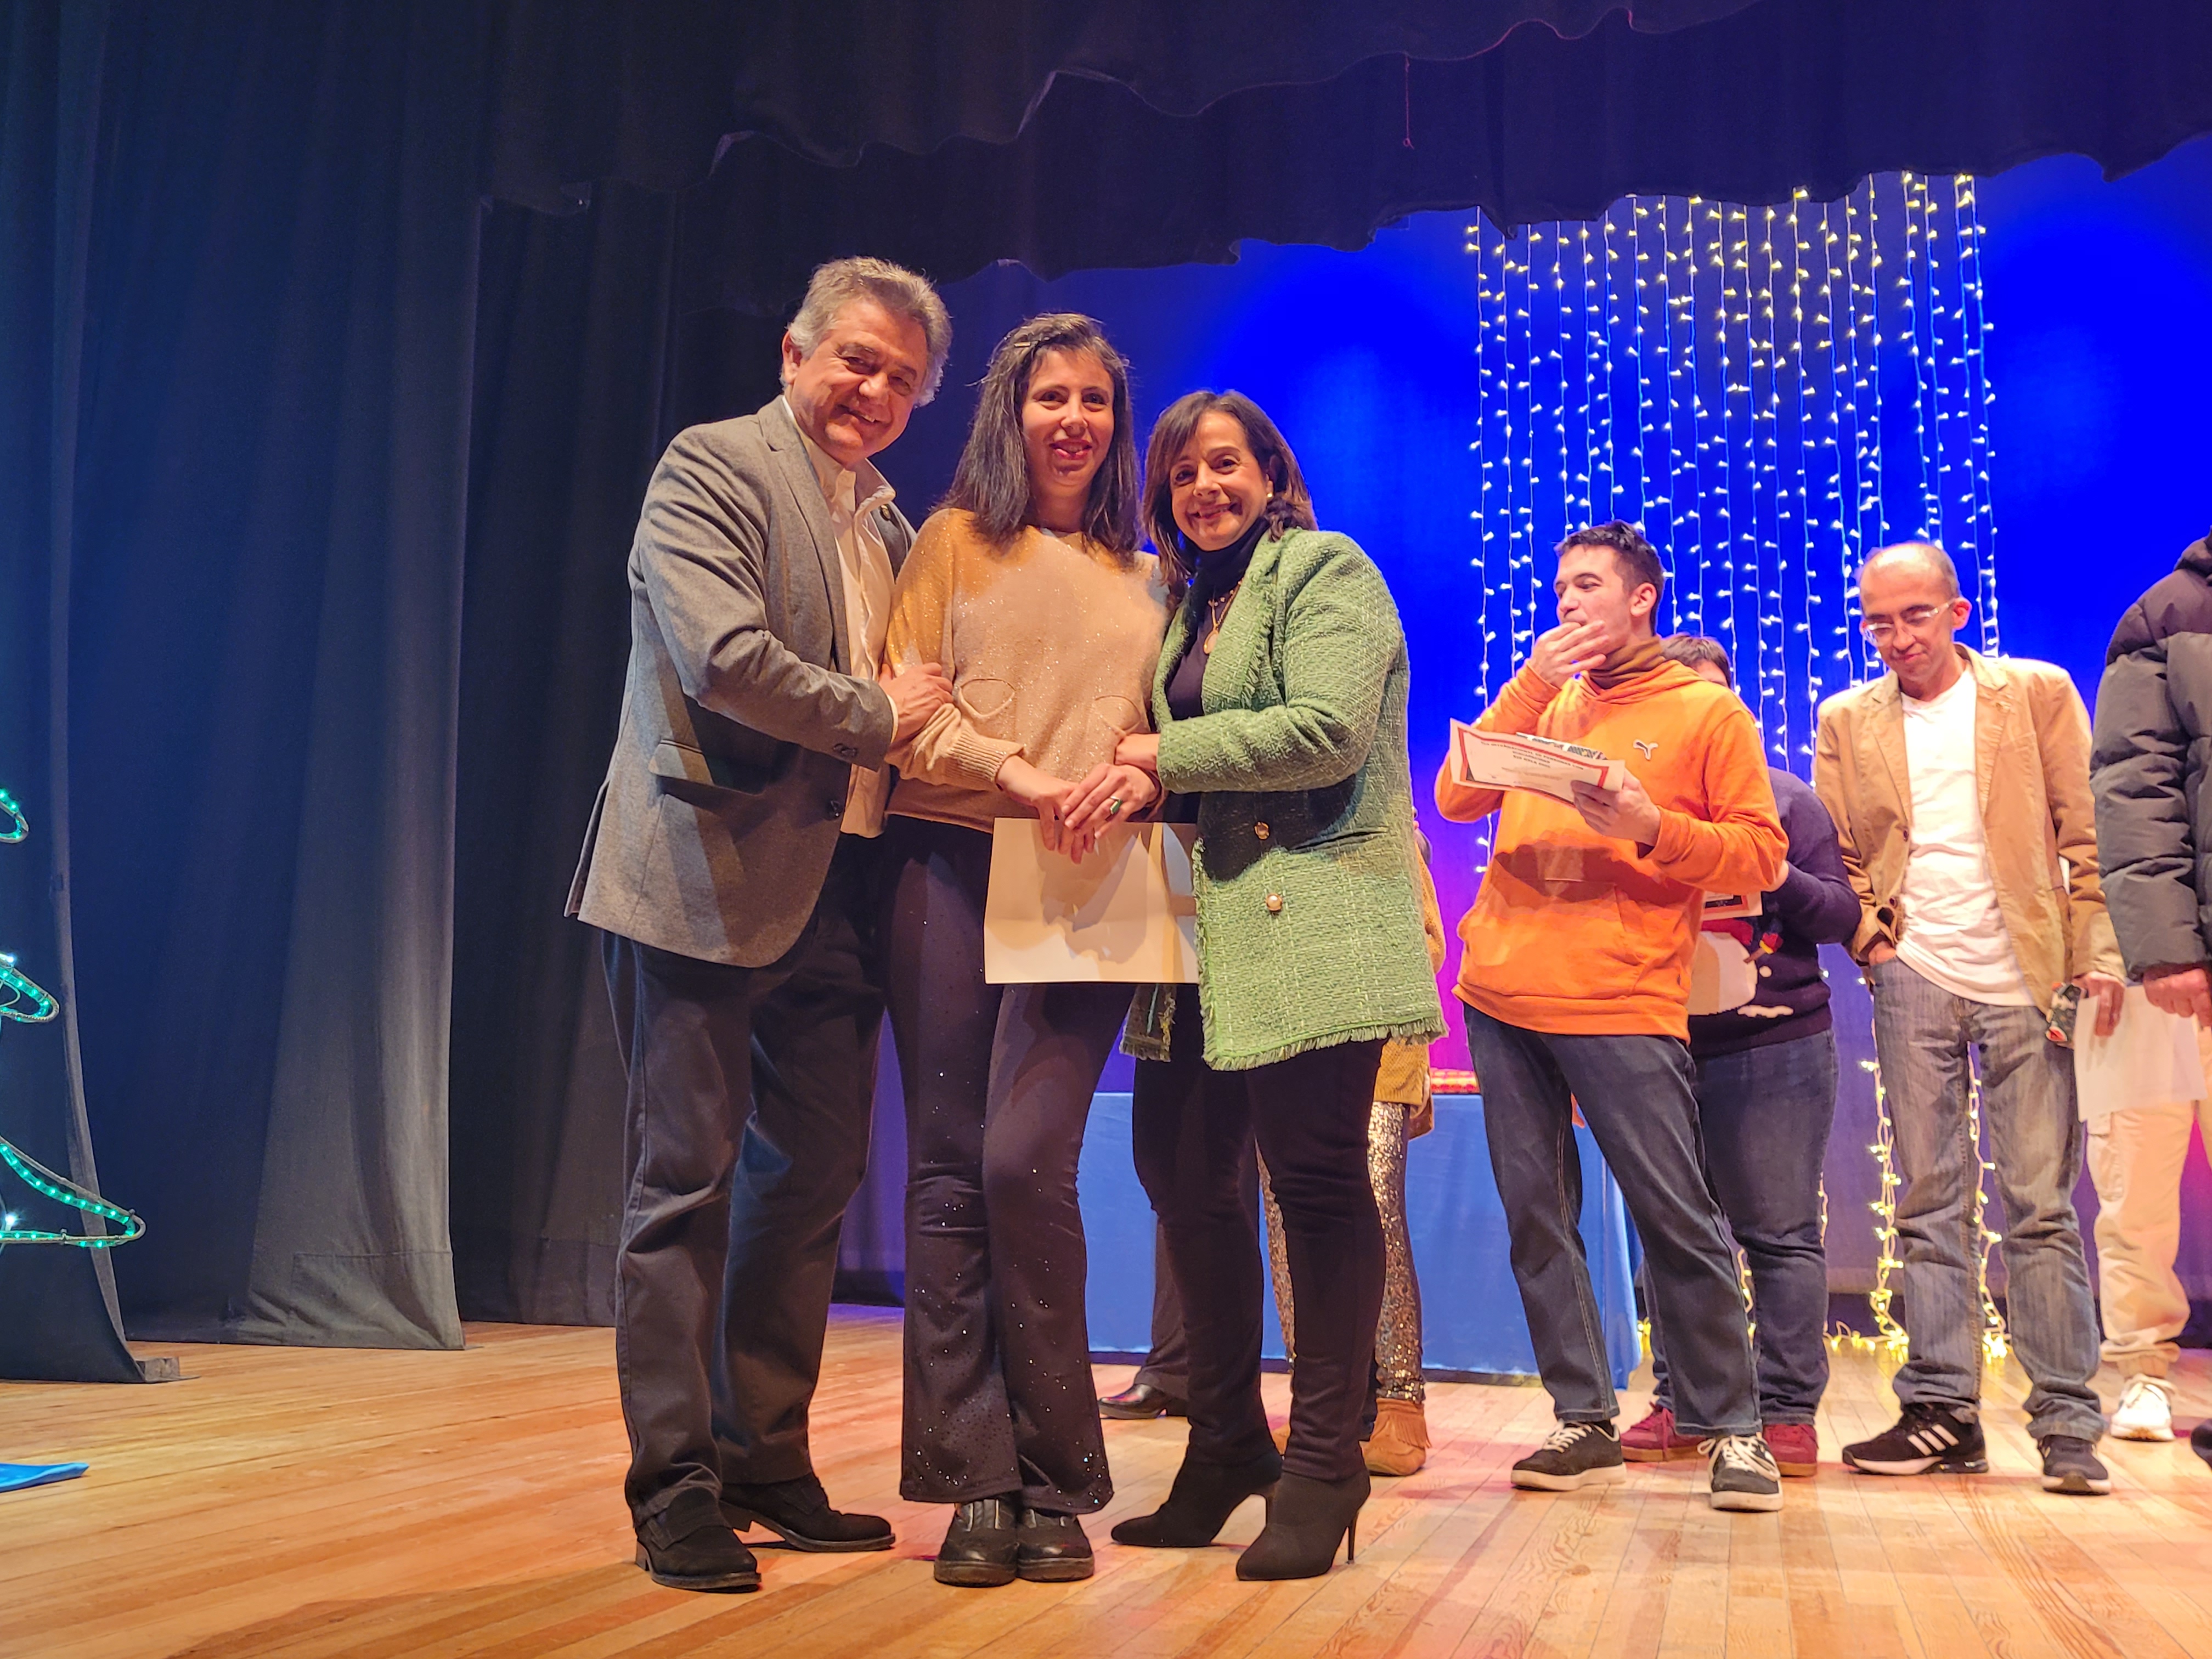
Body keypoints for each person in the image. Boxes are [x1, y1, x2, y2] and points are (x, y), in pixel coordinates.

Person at [568, 257, 955, 1592]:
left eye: (903, 379)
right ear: (795, 353)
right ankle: (674, 1489)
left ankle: (763, 1456)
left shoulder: (892, 528)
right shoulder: (714, 466)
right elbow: (724, 660)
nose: (876, 391)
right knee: (684, 1183)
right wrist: (881, 715)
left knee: (813, 1181)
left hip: (841, 888)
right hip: (701, 872)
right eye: (858, 360)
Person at [1061, 390, 1443, 1580]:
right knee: (1179, 1173)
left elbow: (1327, 730)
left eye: (1224, 464)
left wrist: (1157, 753)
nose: (1203, 488)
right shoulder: (1193, 605)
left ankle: (1325, 1462)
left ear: (1272, 474)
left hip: (1313, 914)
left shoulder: (1328, 569)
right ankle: (1226, 1441)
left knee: (1317, 1185)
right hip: (1204, 928)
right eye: (1181, 474)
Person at [874, 314, 1169, 1588]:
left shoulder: (1150, 575)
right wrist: (1019, 772)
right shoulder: (952, 542)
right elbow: (906, 711)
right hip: (948, 860)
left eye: (1094, 400)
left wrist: (1141, 777)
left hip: (1087, 880)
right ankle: (976, 1482)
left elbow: (1165, 734)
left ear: (1116, 421)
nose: (1073, 419)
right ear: (1012, 410)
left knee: (1024, 1164)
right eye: (1051, 396)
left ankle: (1057, 1475)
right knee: (948, 1172)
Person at [1436, 522, 1787, 1514]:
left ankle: (1732, 1427)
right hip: (1502, 991)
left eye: (1586, 584)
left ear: (1642, 598)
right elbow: (1456, 796)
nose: (1567, 601)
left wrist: (1651, 828)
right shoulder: (1546, 696)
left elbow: (1759, 855)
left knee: (1674, 1214)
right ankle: (1582, 1417)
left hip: (1620, 995)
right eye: (1559, 588)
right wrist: (1527, 683)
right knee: (1536, 1216)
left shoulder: (1706, 711)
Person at [1815, 541, 2121, 1496]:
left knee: (2040, 1206)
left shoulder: (2033, 692)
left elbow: (2087, 833)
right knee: (1927, 1201)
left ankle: (2066, 1419)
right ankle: (1942, 1411)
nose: (1897, 637)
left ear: (1957, 611)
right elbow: (1838, 849)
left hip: (2028, 975)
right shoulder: (1847, 717)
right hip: (1915, 975)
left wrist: (2096, 954)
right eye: (1879, 621)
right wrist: (1872, 940)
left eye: (1915, 615)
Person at [1619, 636, 1859, 1479]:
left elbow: (1840, 916)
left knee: (1780, 1234)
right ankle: (1686, 1404)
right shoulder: (1628, 810)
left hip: (1775, 1047)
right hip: (1656, 1045)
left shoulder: (1786, 800)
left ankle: (1787, 1413)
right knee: (1674, 1235)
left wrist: (1770, 866)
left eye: (1716, 700)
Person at [1261, 850, 1448, 1477]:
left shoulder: (1382, 823)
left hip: (1377, 1043)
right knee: (1286, 1221)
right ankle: (1324, 1405)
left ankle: (1400, 1402)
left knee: (1375, 1208)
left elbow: (1425, 942)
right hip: (1282, 1041)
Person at [2087, 525, 2212, 1449]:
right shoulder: (2167, 615)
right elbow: (2133, 789)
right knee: (2136, 1176)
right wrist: (2163, 948)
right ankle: (2140, 1369)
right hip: (2159, 959)